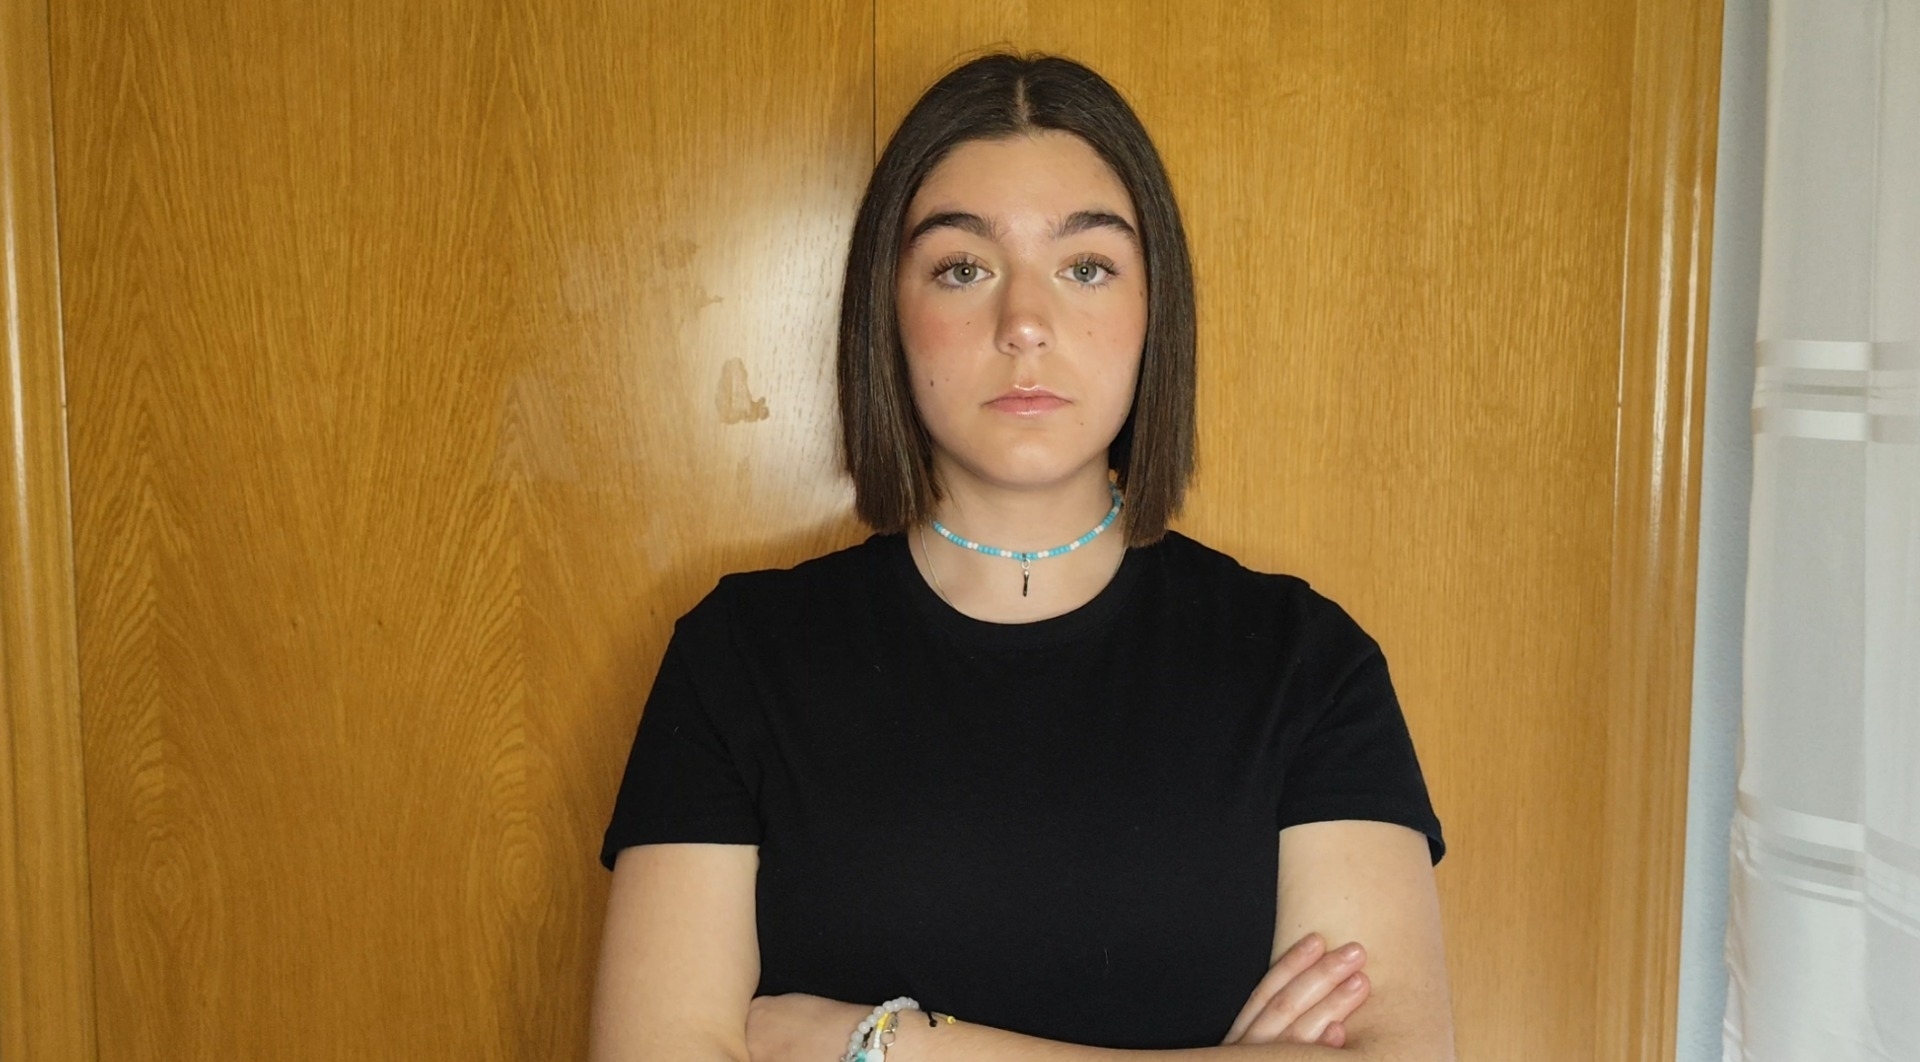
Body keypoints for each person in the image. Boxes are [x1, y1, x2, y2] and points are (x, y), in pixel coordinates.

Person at [589, 52, 1454, 1062]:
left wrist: (888, 1045)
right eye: (964, 268)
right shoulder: (739, 655)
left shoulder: (1305, 664)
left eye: (1086, 267)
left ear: (1155, 310)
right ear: (888, 312)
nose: (1026, 325)